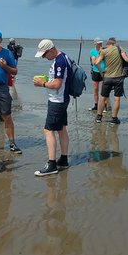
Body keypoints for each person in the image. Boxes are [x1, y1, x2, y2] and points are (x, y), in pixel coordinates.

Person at [32, 39, 71, 176]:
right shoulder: (64, 57)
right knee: (61, 129)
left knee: (48, 130)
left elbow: (57, 84)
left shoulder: (59, 61)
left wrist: (42, 84)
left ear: (50, 50)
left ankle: (52, 164)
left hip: (57, 101)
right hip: (62, 99)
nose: (43, 57)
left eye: (44, 54)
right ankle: (64, 159)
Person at [92, 37, 128, 124]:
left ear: (107, 44)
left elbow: (96, 62)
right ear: (114, 43)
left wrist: (101, 72)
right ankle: (114, 118)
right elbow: (126, 59)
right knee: (117, 98)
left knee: (103, 97)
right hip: (118, 77)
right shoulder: (119, 48)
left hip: (107, 77)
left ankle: (99, 117)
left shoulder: (104, 51)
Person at [88, 38, 106, 112]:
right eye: (99, 43)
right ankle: (96, 105)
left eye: (101, 43)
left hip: (105, 71)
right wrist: (100, 72)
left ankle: (105, 106)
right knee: (96, 89)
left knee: (104, 90)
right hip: (96, 71)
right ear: (95, 44)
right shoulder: (92, 51)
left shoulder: (104, 50)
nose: (100, 44)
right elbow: (94, 62)